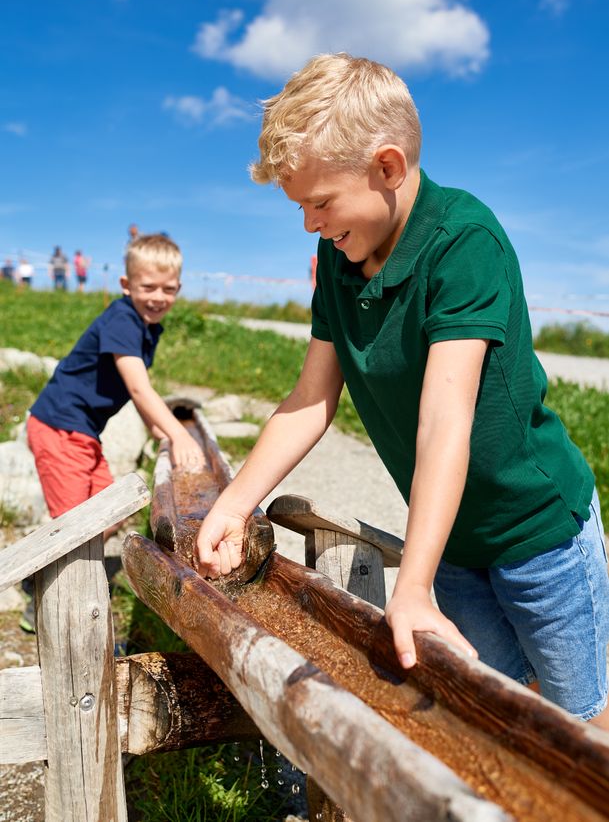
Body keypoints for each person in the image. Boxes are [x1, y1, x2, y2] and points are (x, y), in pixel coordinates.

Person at [194, 53, 609, 730]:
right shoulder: (338, 258)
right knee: (488, 712)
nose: (309, 224)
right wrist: (236, 503)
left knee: (577, 719)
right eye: (299, 207)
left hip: (538, 536)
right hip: (448, 542)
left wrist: (408, 588)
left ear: (386, 168)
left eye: (319, 203)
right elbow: (310, 397)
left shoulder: (462, 240)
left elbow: (445, 419)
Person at [22, 233, 205, 632]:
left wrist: (157, 428)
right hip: (59, 427)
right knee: (76, 529)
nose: (158, 296)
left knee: (110, 510)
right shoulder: (123, 318)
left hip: (83, 433)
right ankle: (50, 609)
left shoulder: (146, 328)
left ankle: (40, 568)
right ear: (127, 285)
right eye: (148, 287)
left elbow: (135, 394)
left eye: (168, 289)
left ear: (178, 288)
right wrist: (179, 435)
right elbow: (139, 387)